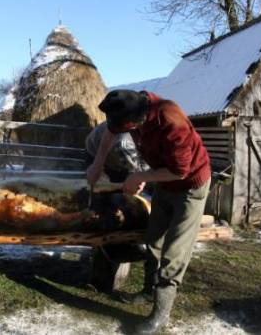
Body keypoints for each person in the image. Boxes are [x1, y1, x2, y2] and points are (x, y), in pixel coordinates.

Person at [86, 90, 211, 335]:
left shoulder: (172, 121)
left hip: (189, 186)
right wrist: (97, 164)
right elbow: (110, 133)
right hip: (165, 184)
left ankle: (160, 314)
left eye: (126, 127)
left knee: (174, 251)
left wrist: (142, 175)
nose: (120, 129)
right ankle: (147, 291)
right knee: (153, 239)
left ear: (138, 120)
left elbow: (180, 171)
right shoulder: (129, 108)